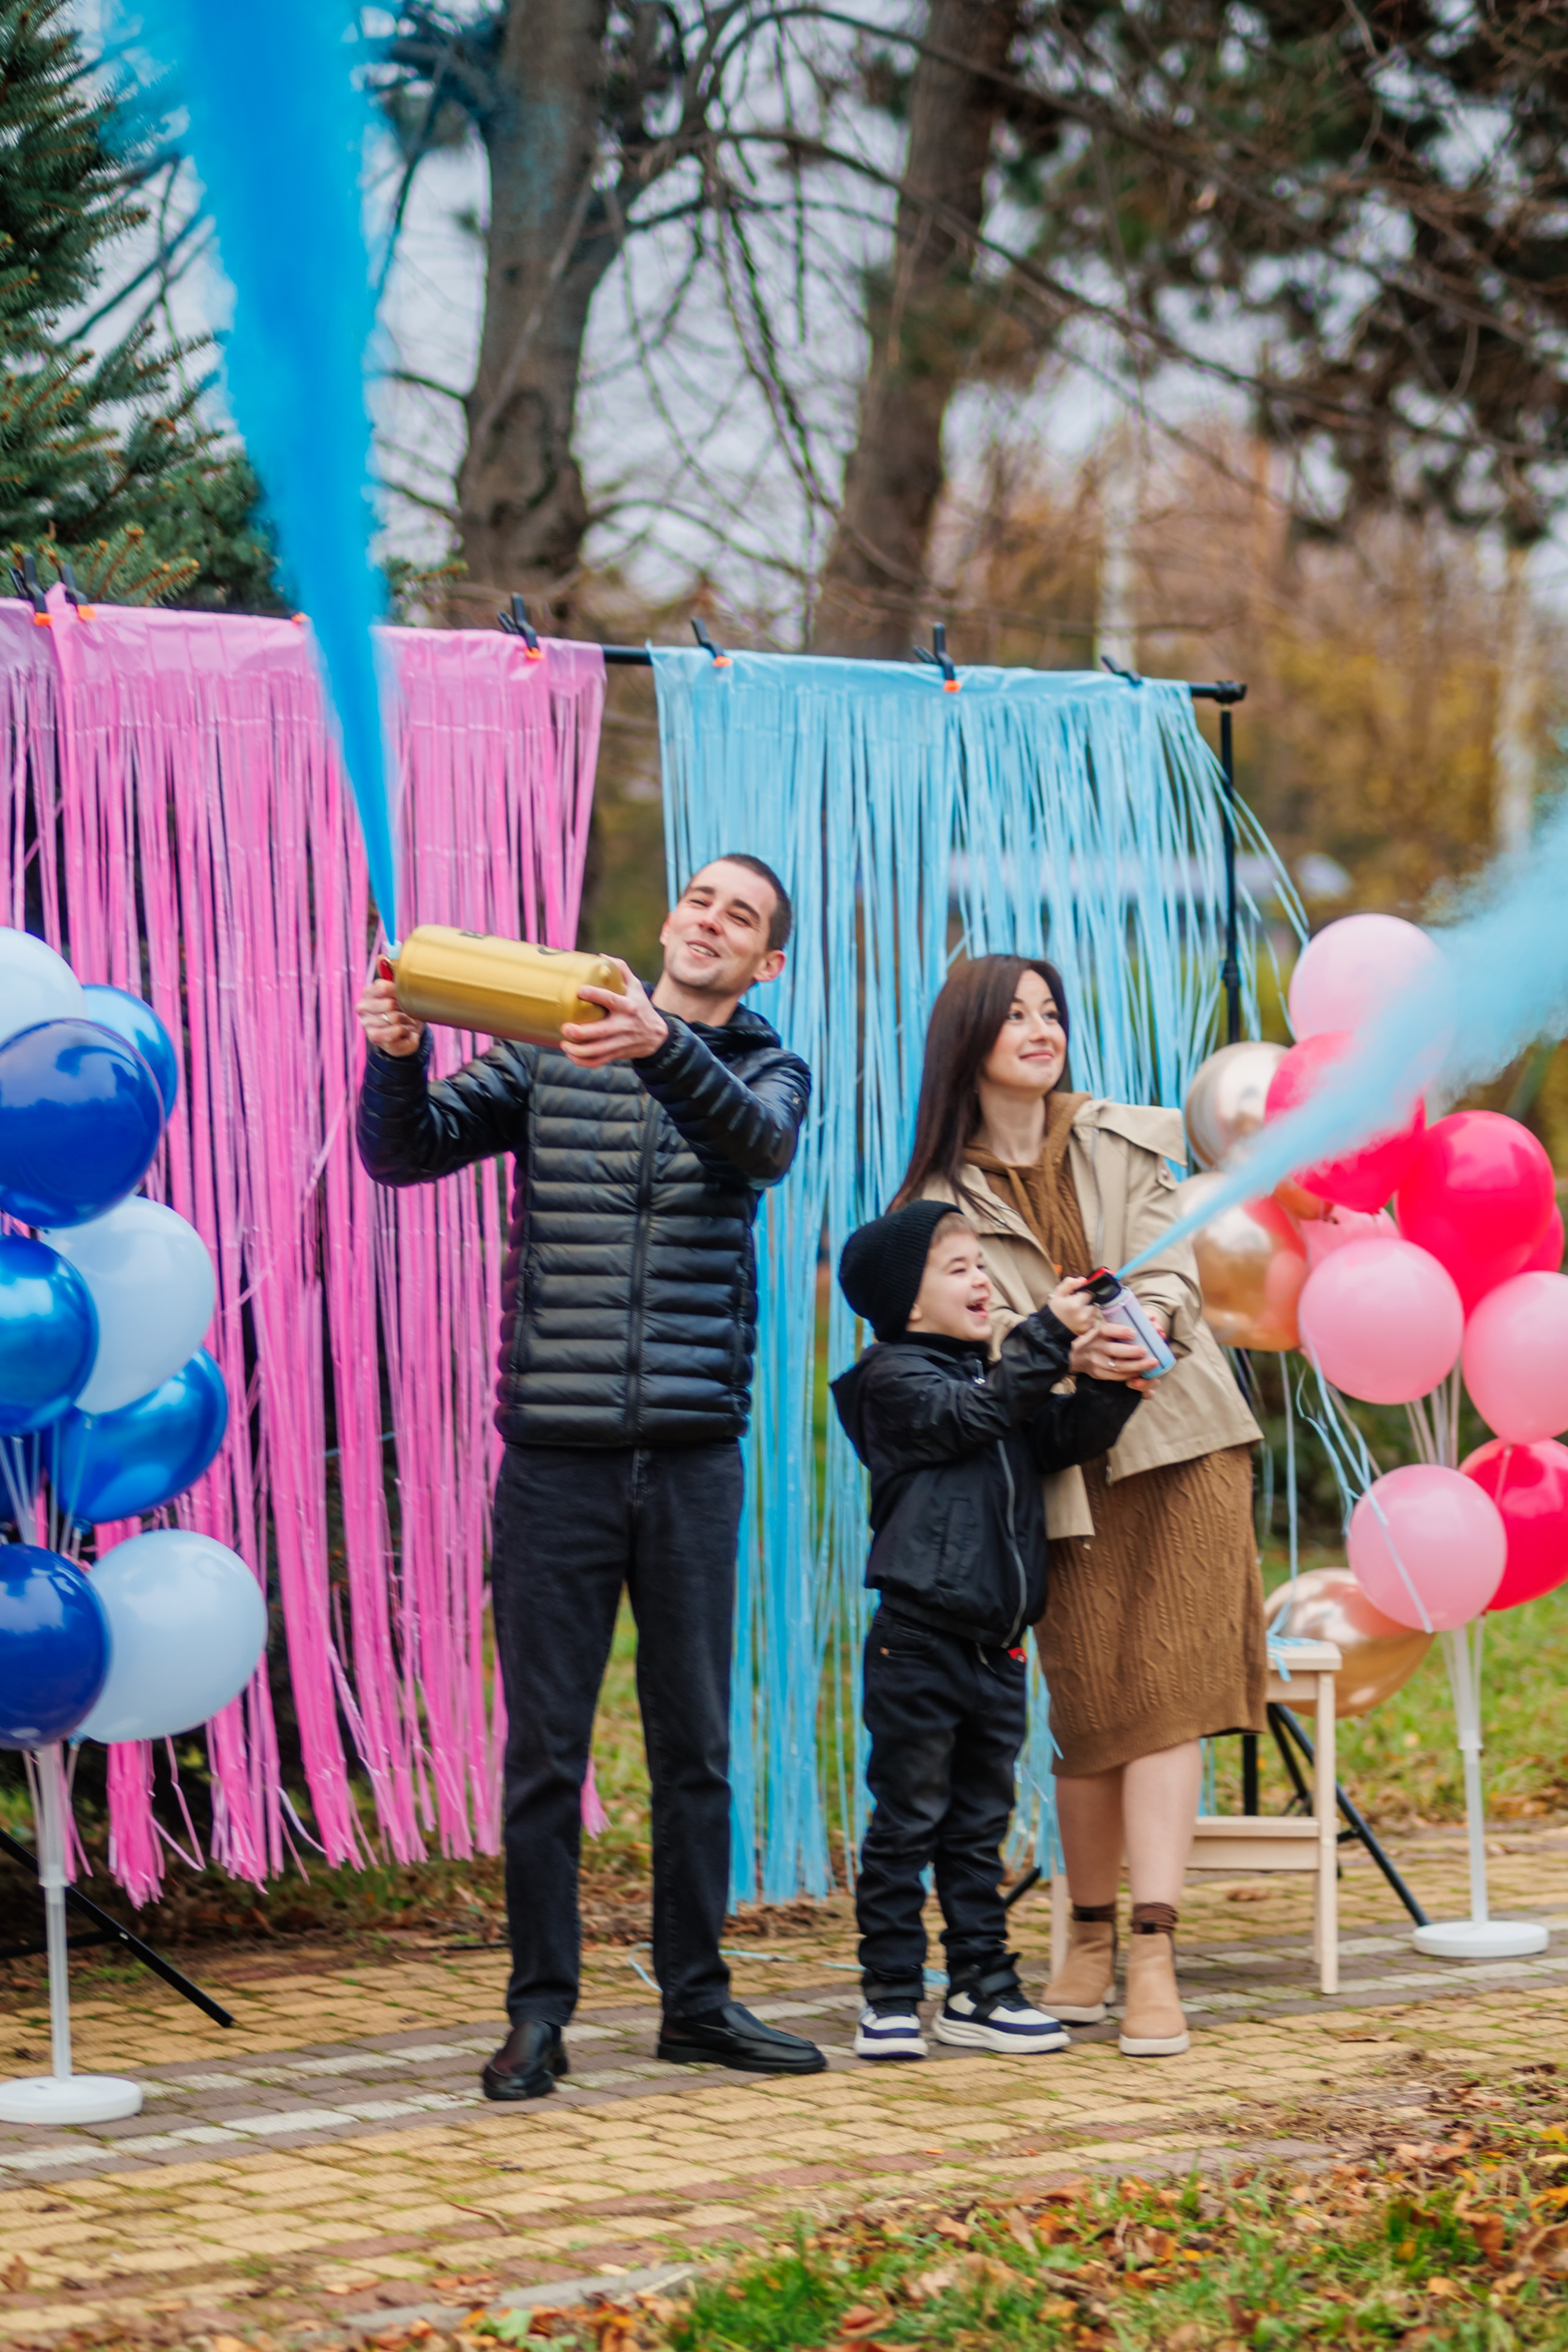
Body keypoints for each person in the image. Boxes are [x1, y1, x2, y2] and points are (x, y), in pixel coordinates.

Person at [356, 856, 827, 2097]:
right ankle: (536, 2017)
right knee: (544, 1756)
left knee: (694, 1749)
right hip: (552, 1459)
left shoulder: (764, 1068)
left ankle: (697, 2004)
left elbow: (759, 1149)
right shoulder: (540, 1050)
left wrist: (658, 1044)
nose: (712, 919)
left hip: (689, 1461)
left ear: (764, 962)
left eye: (743, 916)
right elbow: (402, 1156)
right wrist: (396, 1053)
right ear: (665, 920)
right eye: (700, 900)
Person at [896, 955, 1264, 2059]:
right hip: (1055, 1469)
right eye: (1015, 1014)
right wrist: (1057, 1344)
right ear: (969, 1038)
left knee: (1170, 1694)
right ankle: (1088, 1935)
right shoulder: (931, 1202)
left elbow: (1178, 1276)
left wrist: (1133, 1326)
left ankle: (1152, 1948)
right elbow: (954, 1333)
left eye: (1051, 1011)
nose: (1041, 1028)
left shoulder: (1130, 1134)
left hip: (1184, 1443)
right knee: (1092, 1708)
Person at [832, 1200, 1140, 2060]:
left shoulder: (995, 1380)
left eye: (980, 1263)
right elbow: (971, 1418)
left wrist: (1112, 1385)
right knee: (907, 1823)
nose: (982, 1281)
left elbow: (1049, 1436)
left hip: (996, 1650)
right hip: (918, 1645)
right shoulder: (892, 1381)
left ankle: (980, 1989)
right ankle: (890, 1994)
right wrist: (1045, 1337)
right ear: (907, 1304)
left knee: (977, 1831)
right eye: (959, 1268)